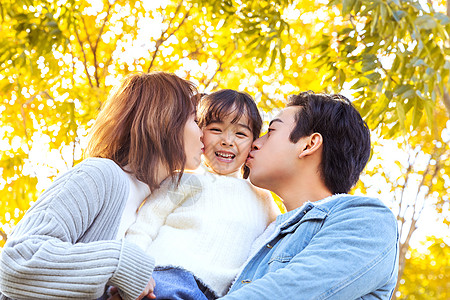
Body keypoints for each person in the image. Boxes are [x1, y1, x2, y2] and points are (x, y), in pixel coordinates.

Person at [0, 72, 204, 300]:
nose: (204, 133)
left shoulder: (154, 204)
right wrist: (120, 261)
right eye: (196, 121)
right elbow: (15, 262)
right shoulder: (102, 175)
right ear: (165, 121)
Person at [219, 92, 399, 299]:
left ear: (309, 145)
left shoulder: (367, 219)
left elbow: (285, 292)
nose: (255, 143)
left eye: (271, 131)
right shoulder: (263, 232)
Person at [124, 89, 280, 300]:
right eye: (216, 129)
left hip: (217, 294)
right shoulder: (184, 180)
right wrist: (132, 274)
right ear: (200, 134)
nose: (227, 140)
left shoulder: (263, 199)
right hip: (166, 275)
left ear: (253, 143)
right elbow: (143, 227)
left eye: (240, 133)